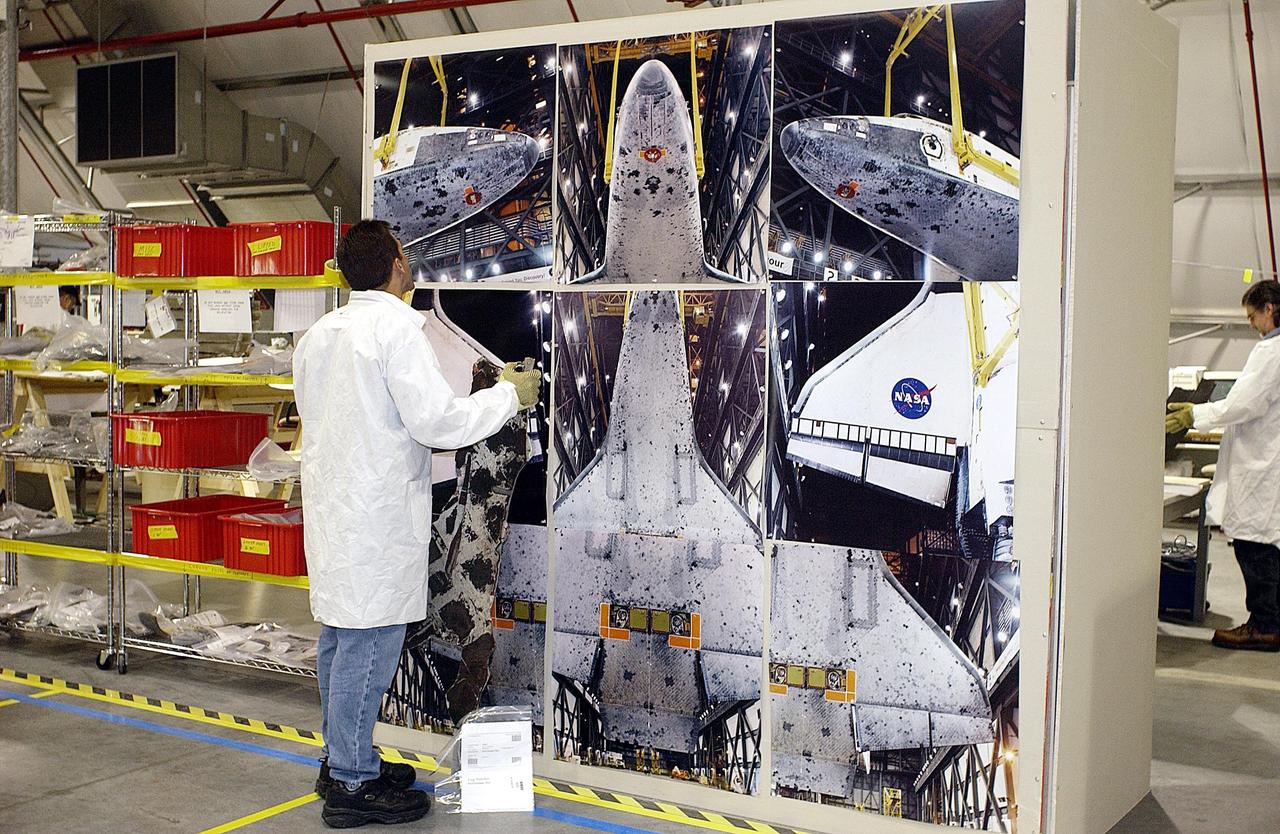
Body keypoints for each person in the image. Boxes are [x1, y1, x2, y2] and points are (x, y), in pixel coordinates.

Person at [293, 220, 540, 828]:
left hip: (336, 512)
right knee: (369, 647)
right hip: (374, 519)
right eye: (406, 256)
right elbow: (438, 425)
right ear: (397, 266)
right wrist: (508, 395)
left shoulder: (320, 335)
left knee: (339, 640)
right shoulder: (396, 335)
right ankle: (352, 784)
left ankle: (343, 758)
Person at [1167, 279, 1280, 653]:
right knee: (1262, 546)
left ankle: (1264, 626)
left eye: (1252, 316)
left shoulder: (1272, 352)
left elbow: (1241, 403)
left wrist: (1193, 414)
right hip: (1266, 464)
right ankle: (1268, 621)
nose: (1250, 324)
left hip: (1262, 469)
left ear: (1269, 309)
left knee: (1254, 546)